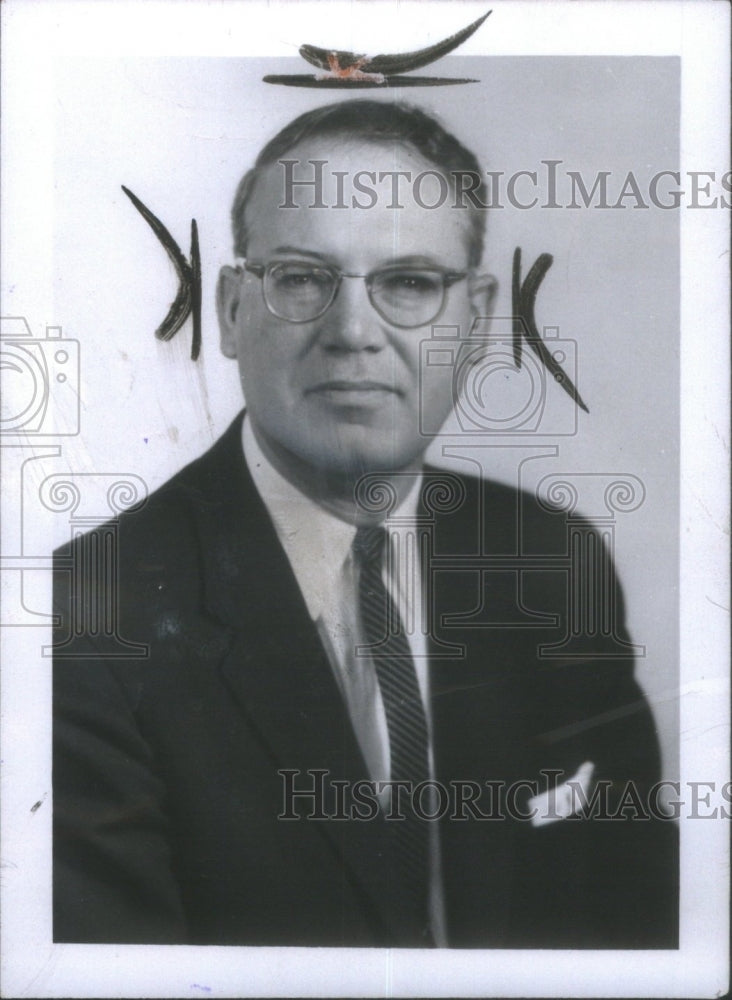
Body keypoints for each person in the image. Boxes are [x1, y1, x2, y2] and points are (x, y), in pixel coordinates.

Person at [53, 100, 677, 948]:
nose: (353, 333)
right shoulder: (86, 615)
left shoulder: (550, 562)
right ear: (234, 310)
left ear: (478, 320)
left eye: (411, 284)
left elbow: (633, 925)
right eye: (304, 279)